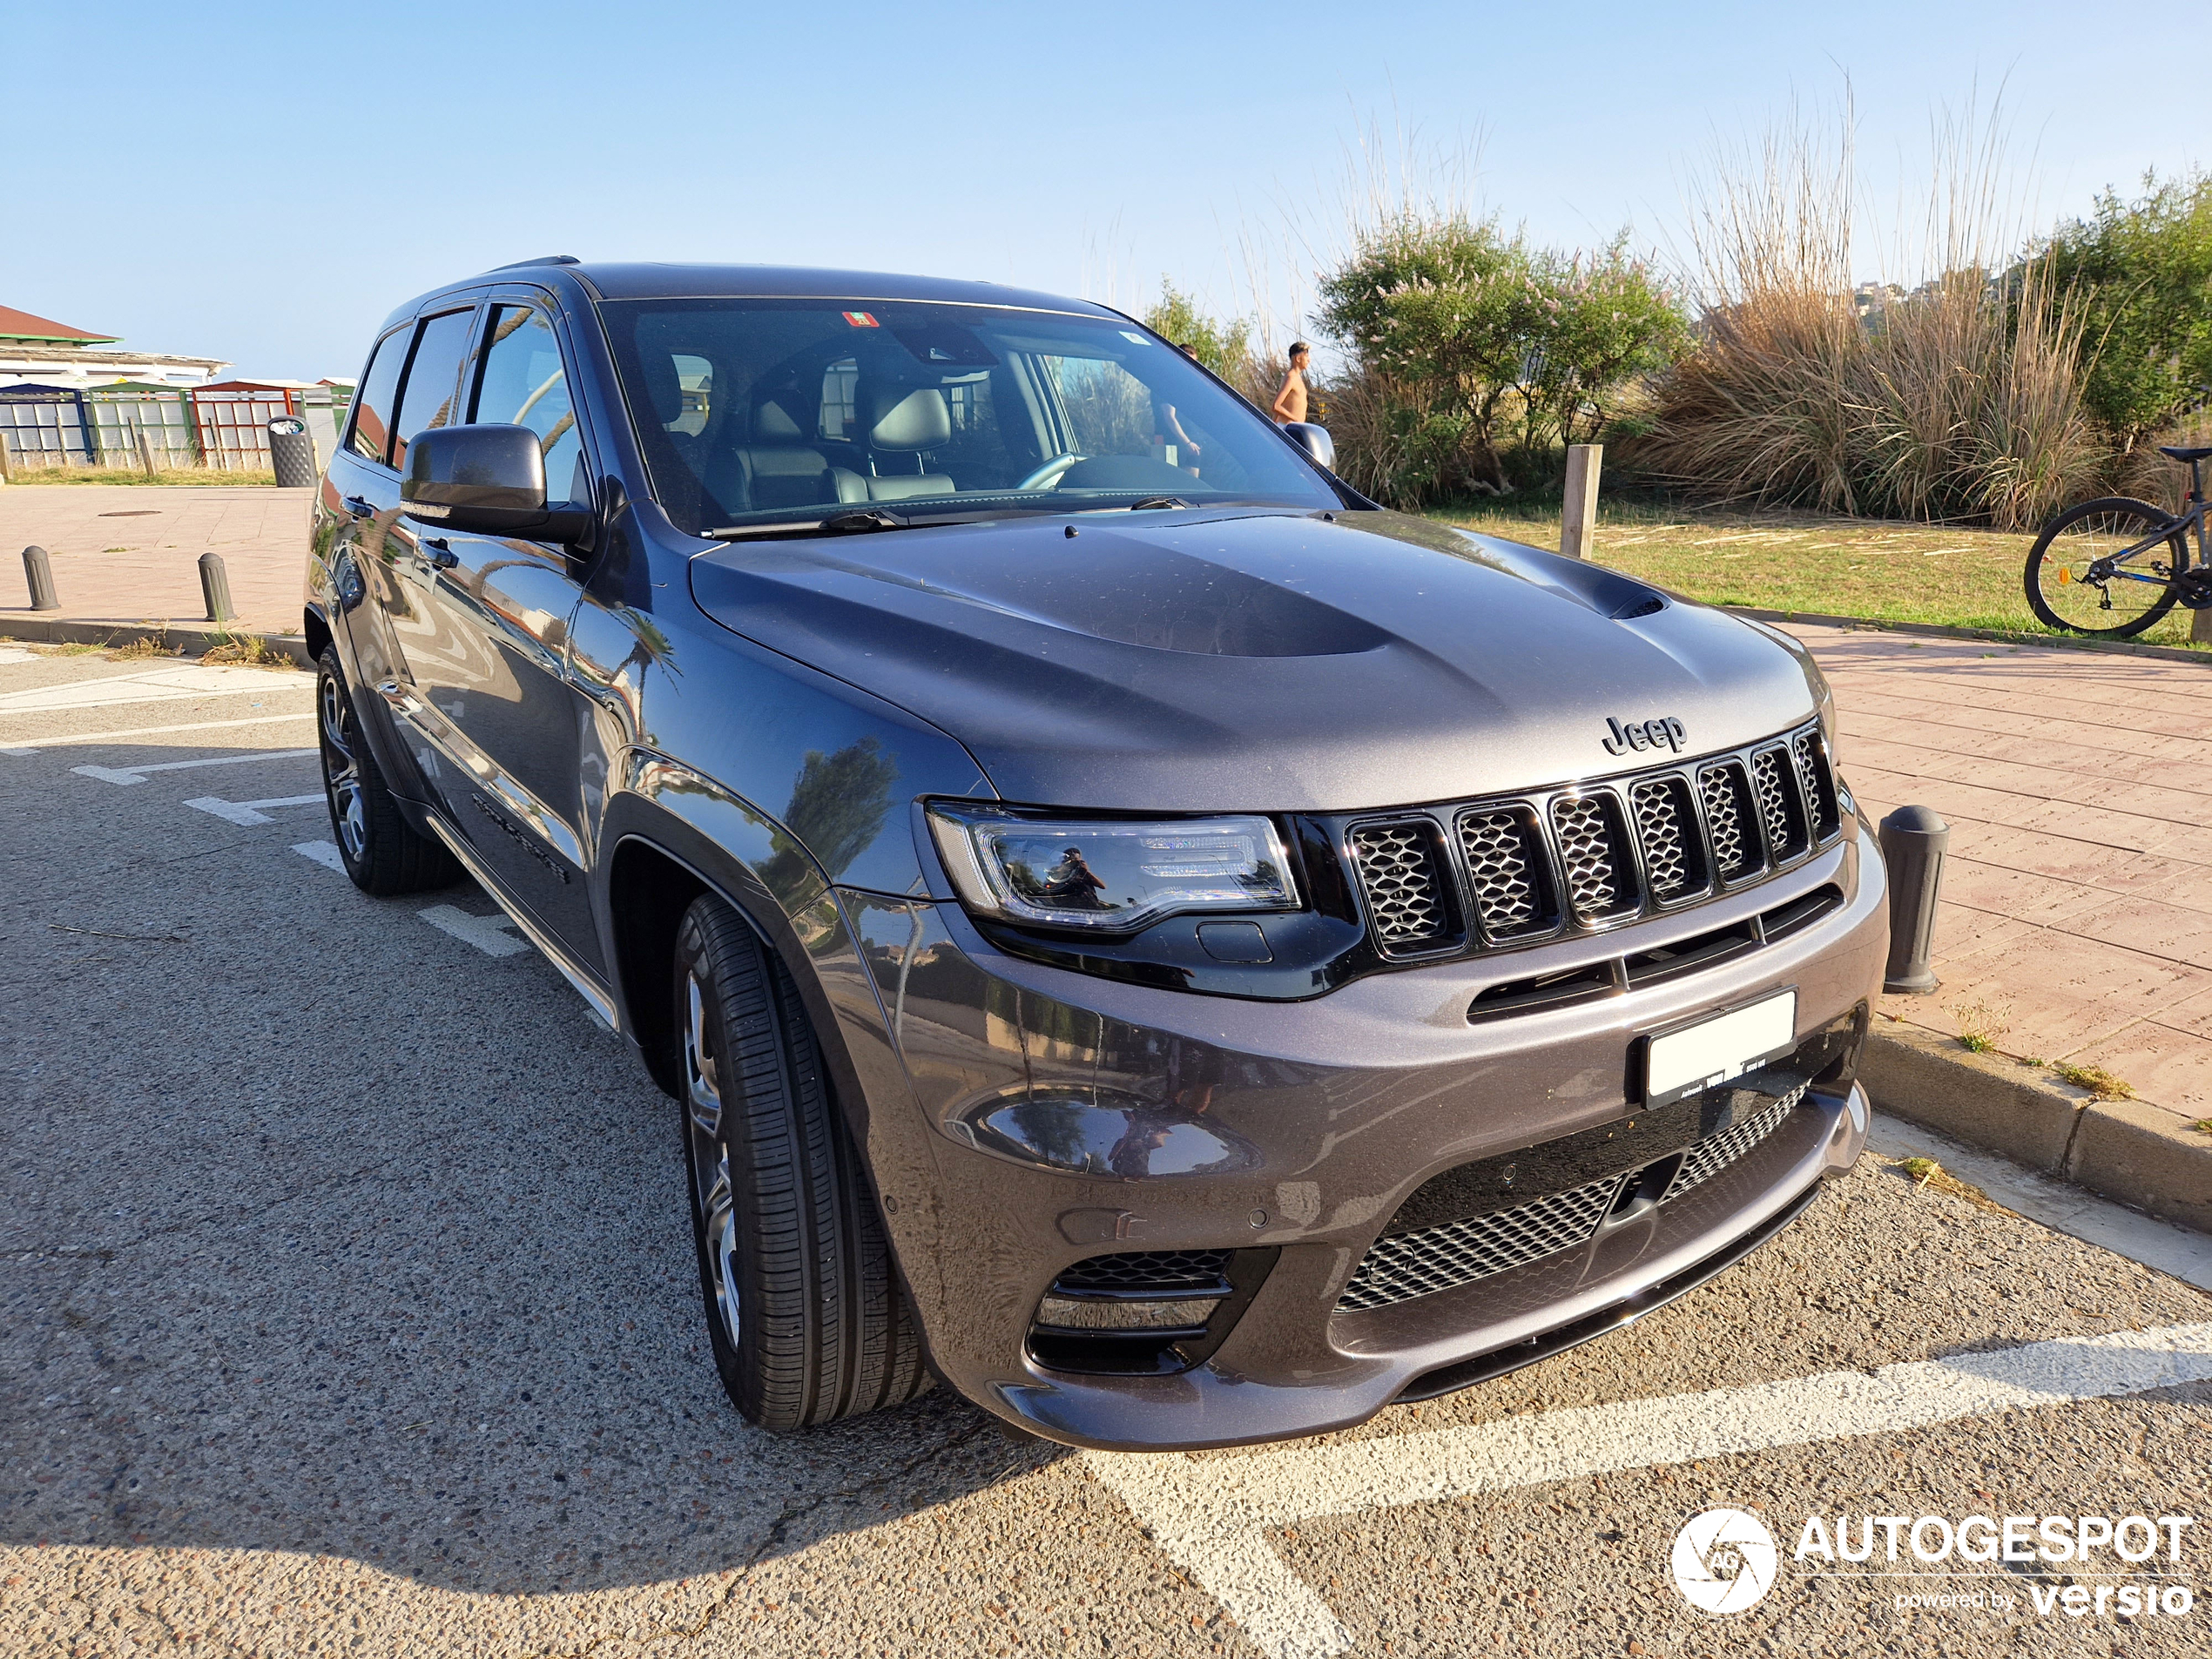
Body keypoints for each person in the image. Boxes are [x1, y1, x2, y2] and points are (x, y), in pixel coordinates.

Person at [1271, 341, 1311, 425]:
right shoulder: (1291, 378)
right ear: (1298, 359)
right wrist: (1295, 419)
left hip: (1296, 429)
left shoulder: (1297, 378)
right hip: (1288, 429)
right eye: (1306, 356)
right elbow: (1276, 406)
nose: (1309, 360)